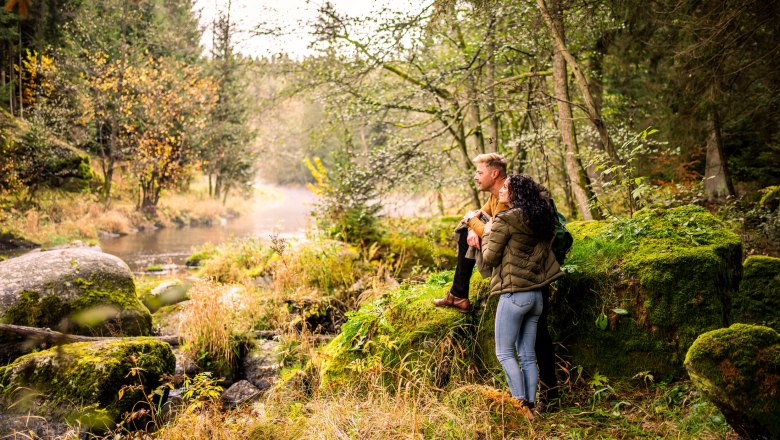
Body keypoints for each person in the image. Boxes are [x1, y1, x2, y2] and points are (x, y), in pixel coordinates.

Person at [481, 174, 564, 420]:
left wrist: (486, 231)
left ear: (516, 193)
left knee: (505, 353)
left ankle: (520, 406)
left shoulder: (505, 219)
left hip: (514, 295)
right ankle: (531, 406)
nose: (502, 190)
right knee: (527, 354)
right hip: (536, 296)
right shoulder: (539, 218)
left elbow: (490, 257)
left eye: (507, 187)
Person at [432, 153, 509, 313]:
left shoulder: (506, 196)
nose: (475, 177)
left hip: (511, 254)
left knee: (466, 227)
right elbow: (477, 215)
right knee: (464, 230)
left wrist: (471, 222)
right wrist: (471, 227)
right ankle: (458, 295)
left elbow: (493, 235)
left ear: (494, 174)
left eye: (480, 173)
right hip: (500, 244)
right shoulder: (495, 194)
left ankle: (458, 295)